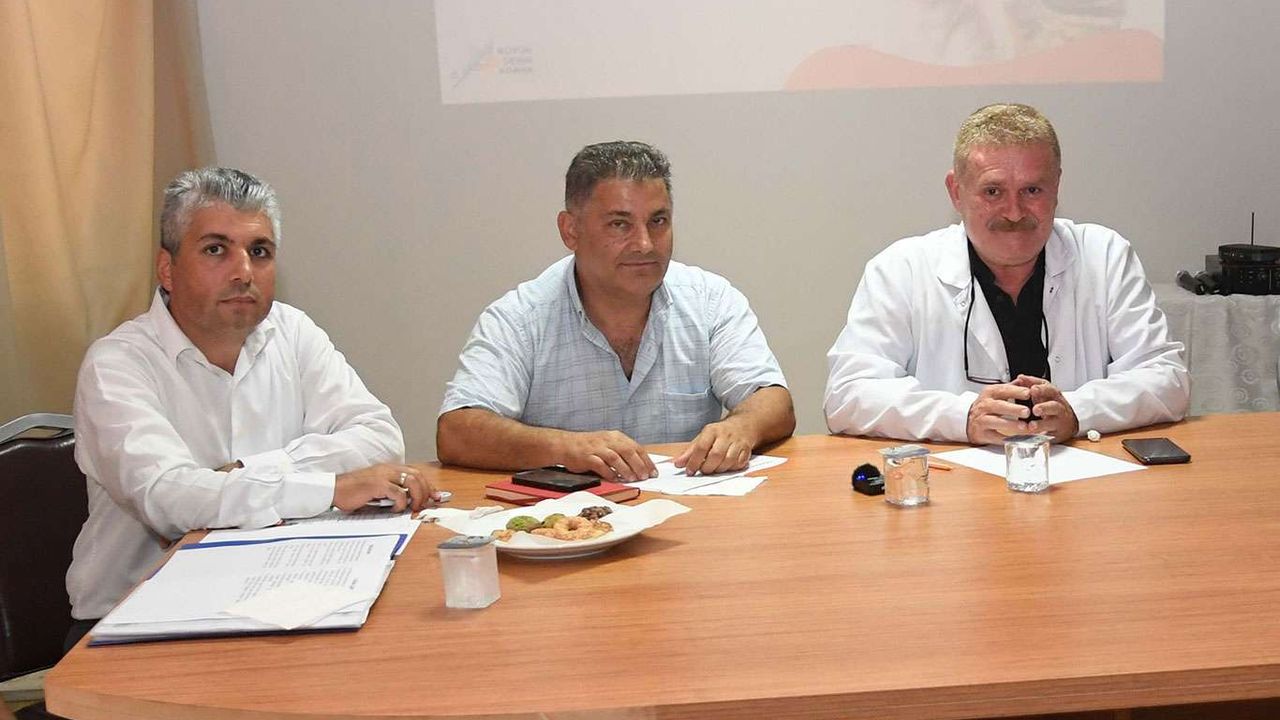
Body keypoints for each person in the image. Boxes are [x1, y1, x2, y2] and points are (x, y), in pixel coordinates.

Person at [66, 168, 438, 643]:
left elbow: (380, 437)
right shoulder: (116, 364)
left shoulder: (292, 330)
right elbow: (168, 499)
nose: (243, 271)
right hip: (137, 619)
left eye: (259, 251)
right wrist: (328, 487)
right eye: (216, 250)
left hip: (280, 598)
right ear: (167, 268)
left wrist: (248, 470)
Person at [824, 103, 1188, 444]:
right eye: (993, 191)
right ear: (956, 191)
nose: (1014, 212)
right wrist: (963, 416)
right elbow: (848, 394)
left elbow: (1167, 378)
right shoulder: (901, 269)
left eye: (1032, 190)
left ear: (1056, 187)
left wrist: (1078, 411)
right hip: (954, 483)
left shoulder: (1104, 256)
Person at [438, 141, 794, 480]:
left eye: (658, 221)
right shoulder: (520, 318)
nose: (644, 244)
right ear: (570, 230)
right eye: (620, 224)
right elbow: (457, 431)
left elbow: (773, 400)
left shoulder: (710, 300)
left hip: (691, 510)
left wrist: (740, 427)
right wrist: (566, 448)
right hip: (566, 517)